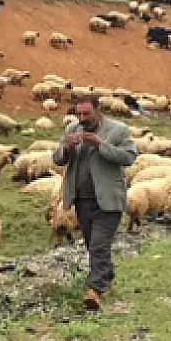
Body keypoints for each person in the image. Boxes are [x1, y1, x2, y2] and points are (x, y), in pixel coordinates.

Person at [52, 95, 139, 310]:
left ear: (98, 111)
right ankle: (107, 278)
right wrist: (67, 149)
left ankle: (95, 290)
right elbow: (57, 159)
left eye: (86, 114)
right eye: (79, 114)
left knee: (99, 244)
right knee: (93, 245)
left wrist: (100, 145)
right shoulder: (72, 130)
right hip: (82, 200)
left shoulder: (118, 130)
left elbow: (129, 156)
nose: (82, 118)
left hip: (108, 199)